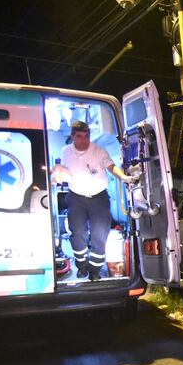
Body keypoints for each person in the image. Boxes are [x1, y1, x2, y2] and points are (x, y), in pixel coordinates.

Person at [52, 120, 135, 281]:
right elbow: (64, 169)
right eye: (80, 137)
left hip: (99, 198)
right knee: (77, 234)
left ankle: (95, 270)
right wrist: (56, 173)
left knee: (99, 235)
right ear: (73, 136)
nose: (84, 140)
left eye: (86, 136)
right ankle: (82, 266)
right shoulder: (66, 151)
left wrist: (123, 177)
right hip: (76, 198)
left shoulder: (98, 151)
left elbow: (111, 166)